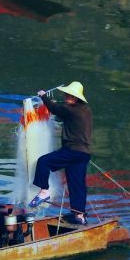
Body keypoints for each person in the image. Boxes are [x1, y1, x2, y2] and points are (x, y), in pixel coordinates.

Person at [28, 81, 92, 225]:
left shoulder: (72, 110)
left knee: (44, 161)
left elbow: (55, 109)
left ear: (76, 98)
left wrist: (44, 96)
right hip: (84, 153)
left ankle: (44, 191)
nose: (66, 96)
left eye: (69, 95)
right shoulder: (85, 109)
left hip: (73, 151)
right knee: (77, 184)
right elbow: (61, 110)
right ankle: (80, 215)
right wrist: (56, 104)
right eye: (66, 94)